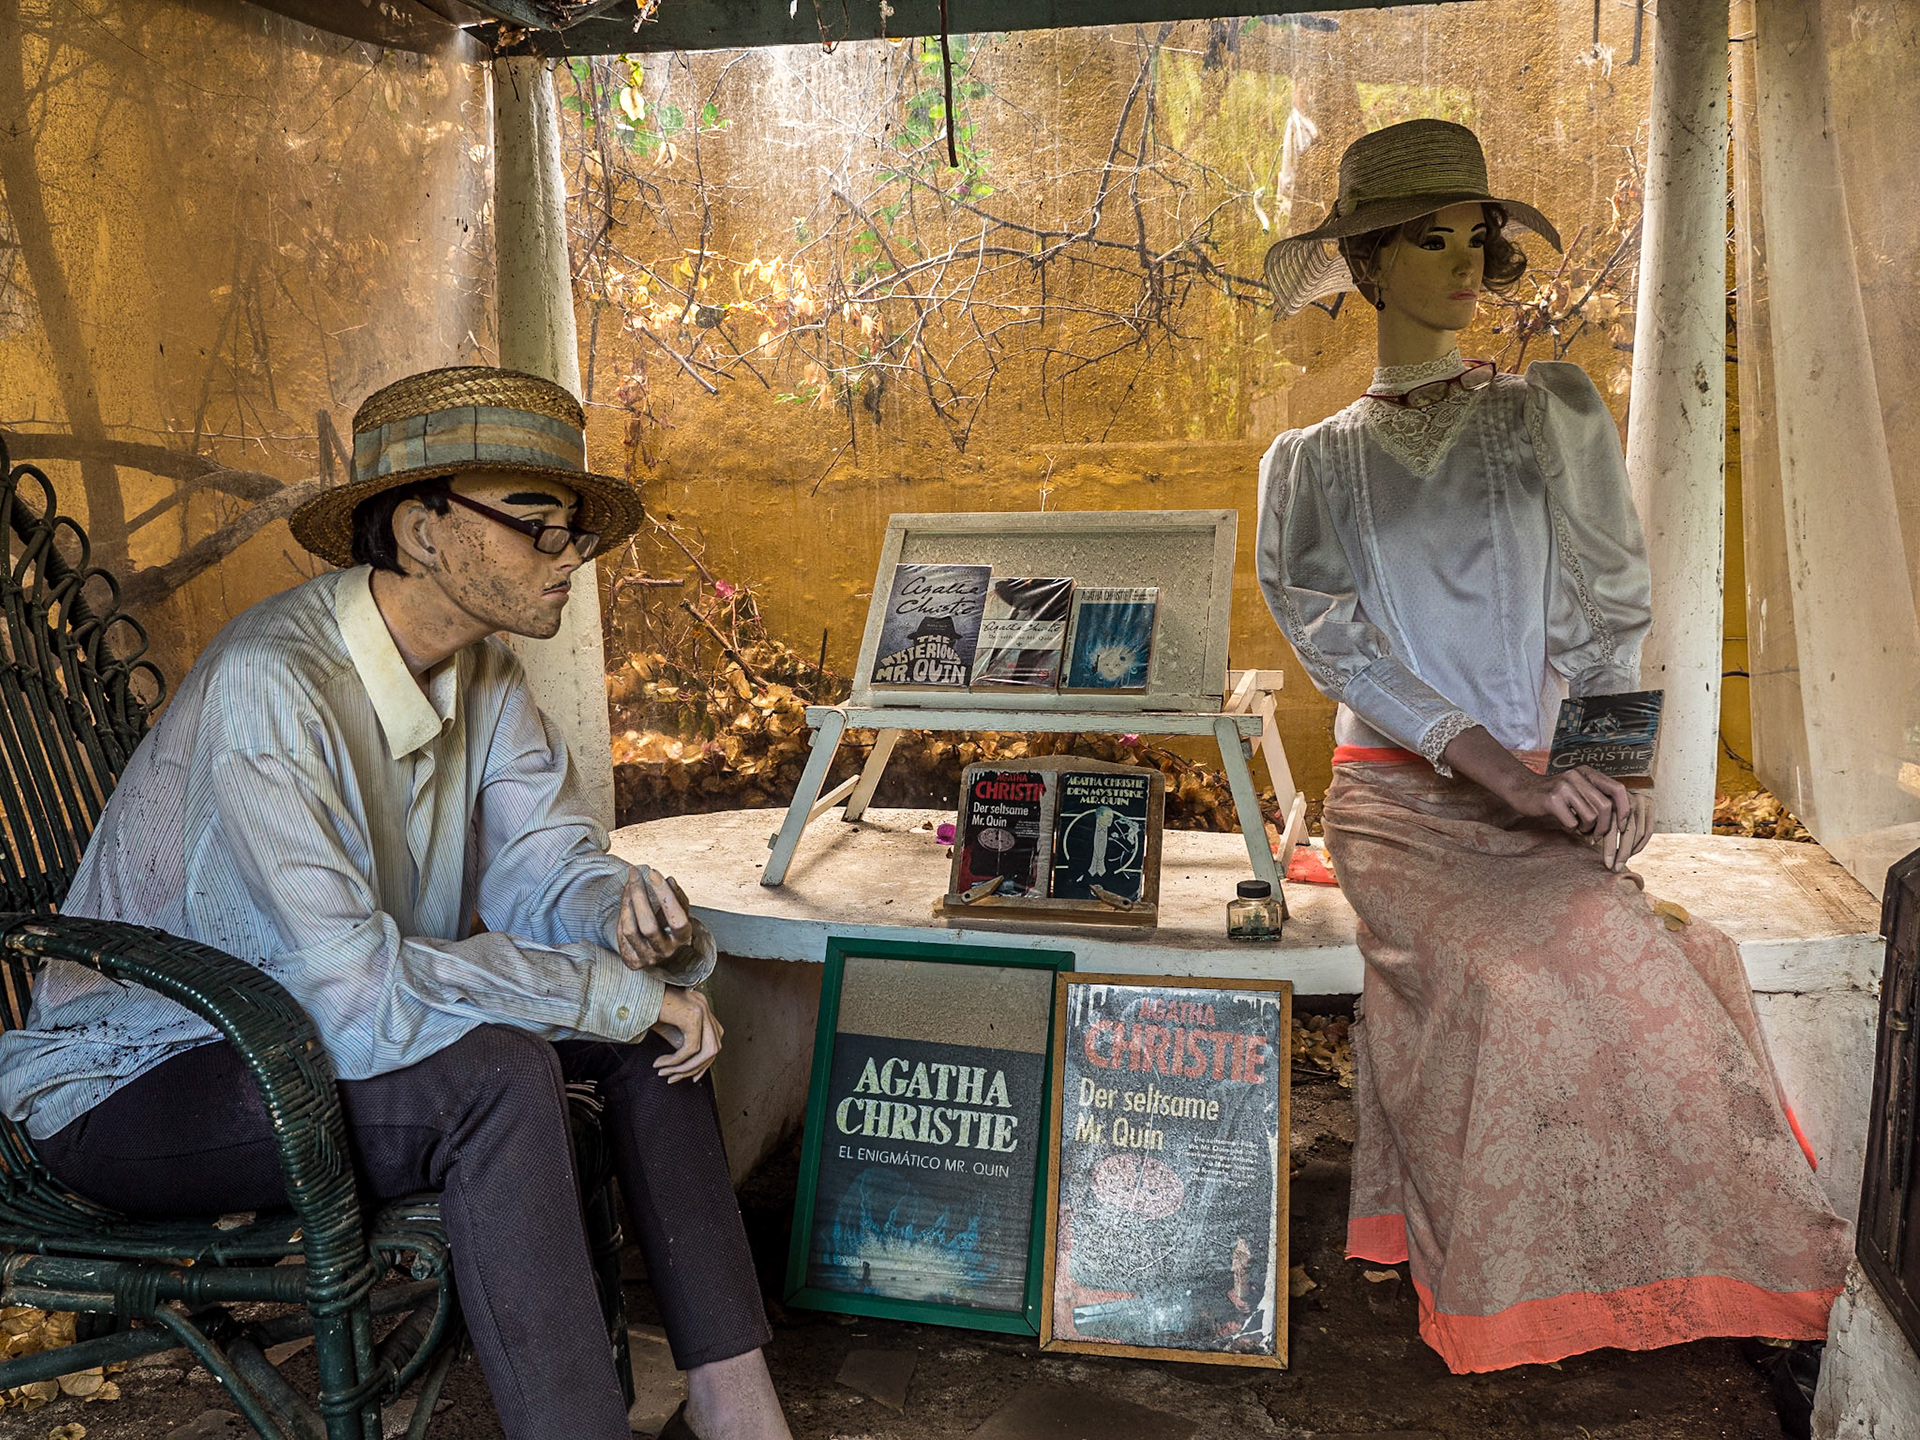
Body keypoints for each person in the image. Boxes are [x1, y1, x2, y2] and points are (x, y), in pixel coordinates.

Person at [0, 366, 788, 1440]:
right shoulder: (272, 685)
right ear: (422, 532)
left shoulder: (488, 678)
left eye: (574, 531)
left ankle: (736, 1408)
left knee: (635, 1030)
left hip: (320, 1037)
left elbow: (545, 873)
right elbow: (352, 982)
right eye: (535, 526)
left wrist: (618, 918)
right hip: (141, 1079)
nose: (569, 557)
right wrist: (602, 992)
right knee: (501, 1078)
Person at [1257, 120, 1851, 1375]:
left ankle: (1685, 1267)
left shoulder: (1545, 413)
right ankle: (1499, 1281)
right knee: (1508, 976)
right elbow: (1342, 648)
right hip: (1397, 808)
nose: (1465, 262)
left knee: (1640, 949)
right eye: (1432, 239)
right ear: (1365, 265)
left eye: (1478, 237)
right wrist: (1504, 775)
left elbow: (1605, 611)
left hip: (1538, 795)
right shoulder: (1310, 464)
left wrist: (1607, 772)